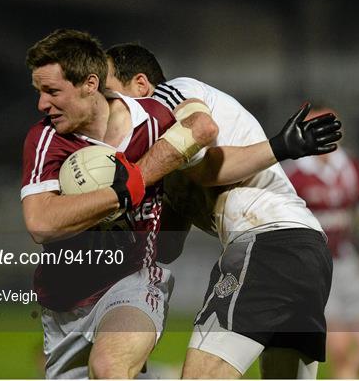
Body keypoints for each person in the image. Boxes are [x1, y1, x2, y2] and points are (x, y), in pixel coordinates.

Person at [106, 43, 343, 379]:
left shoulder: (171, 96)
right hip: (306, 249)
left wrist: (280, 147)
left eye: (110, 92)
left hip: (267, 244)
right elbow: (168, 247)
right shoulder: (167, 154)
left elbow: (204, 137)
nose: (105, 105)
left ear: (141, 86)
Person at [21, 29, 219, 379]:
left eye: (52, 91)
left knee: (110, 366)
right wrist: (121, 192)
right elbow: (40, 223)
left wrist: (279, 147)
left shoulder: (152, 119)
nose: (42, 104)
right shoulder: (46, 138)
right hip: (64, 306)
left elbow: (202, 127)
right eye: (39, 92)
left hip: (134, 281)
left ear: (90, 83)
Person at [284, 105, 359, 378]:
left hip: (346, 260)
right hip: (313, 266)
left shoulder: (351, 166)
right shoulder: (293, 172)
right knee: (341, 348)